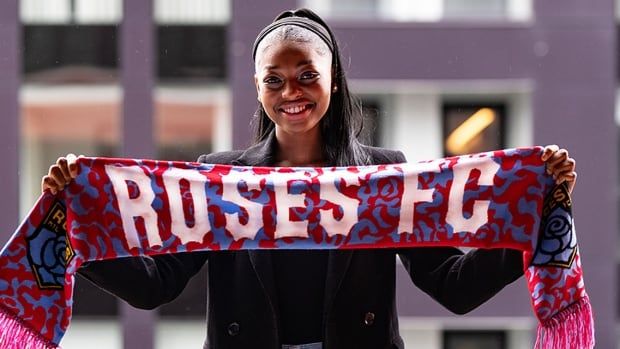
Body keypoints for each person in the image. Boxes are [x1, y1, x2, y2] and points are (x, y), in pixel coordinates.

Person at [42, 8, 577, 349]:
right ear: (257, 87)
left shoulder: (382, 178)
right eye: (273, 79)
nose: (290, 91)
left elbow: (454, 289)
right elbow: (154, 286)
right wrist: (77, 224)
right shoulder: (221, 179)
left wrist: (532, 216)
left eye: (306, 75)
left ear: (334, 81)